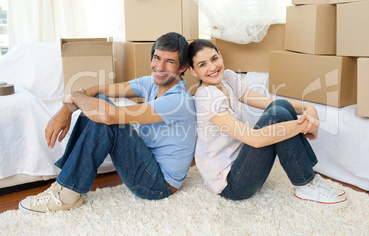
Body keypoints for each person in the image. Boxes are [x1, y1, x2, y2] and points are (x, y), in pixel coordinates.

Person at [19, 32, 197, 213]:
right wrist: (66, 110)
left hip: (158, 185)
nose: (160, 66)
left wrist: (73, 100)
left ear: (182, 67)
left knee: (107, 118)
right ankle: (65, 184)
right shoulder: (151, 83)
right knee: (100, 101)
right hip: (148, 164)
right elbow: (98, 90)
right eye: (157, 58)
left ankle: (68, 194)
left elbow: (108, 116)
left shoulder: (178, 101)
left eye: (170, 62)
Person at [187, 39, 348, 207]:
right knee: (277, 117)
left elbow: (269, 103)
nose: (212, 67)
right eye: (202, 64)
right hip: (232, 184)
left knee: (281, 107)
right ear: (193, 71)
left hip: (244, 164)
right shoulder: (207, 98)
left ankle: (309, 179)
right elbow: (255, 139)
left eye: (214, 59)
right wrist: (306, 124)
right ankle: (306, 184)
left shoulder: (228, 79)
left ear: (220, 55)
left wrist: (307, 108)